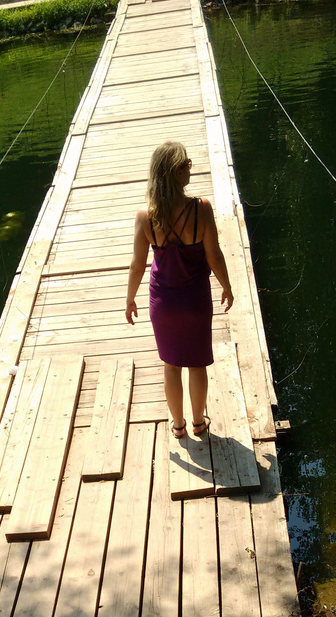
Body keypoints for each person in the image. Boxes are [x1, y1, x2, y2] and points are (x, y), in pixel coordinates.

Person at [125, 141, 233, 439]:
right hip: (196, 298)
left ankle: (178, 426)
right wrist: (227, 287)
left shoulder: (146, 216)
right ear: (175, 171)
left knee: (171, 365)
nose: (190, 168)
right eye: (187, 163)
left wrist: (129, 299)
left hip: (164, 301)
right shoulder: (201, 209)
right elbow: (215, 255)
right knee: (197, 364)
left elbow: (137, 265)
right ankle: (199, 423)